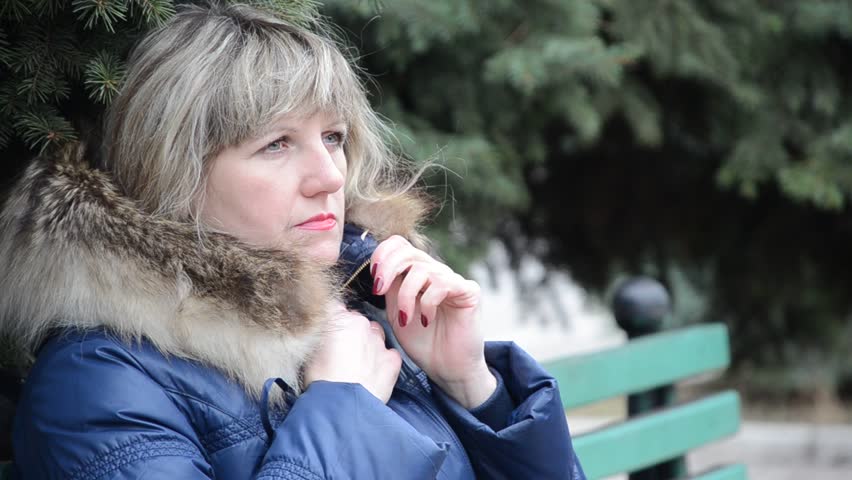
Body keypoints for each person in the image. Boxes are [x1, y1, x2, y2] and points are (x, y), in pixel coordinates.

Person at [0, 4, 585, 479]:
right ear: (173, 172)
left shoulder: (365, 312)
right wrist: (341, 412)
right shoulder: (93, 385)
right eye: (276, 143)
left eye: (333, 136)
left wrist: (471, 386)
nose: (330, 176)